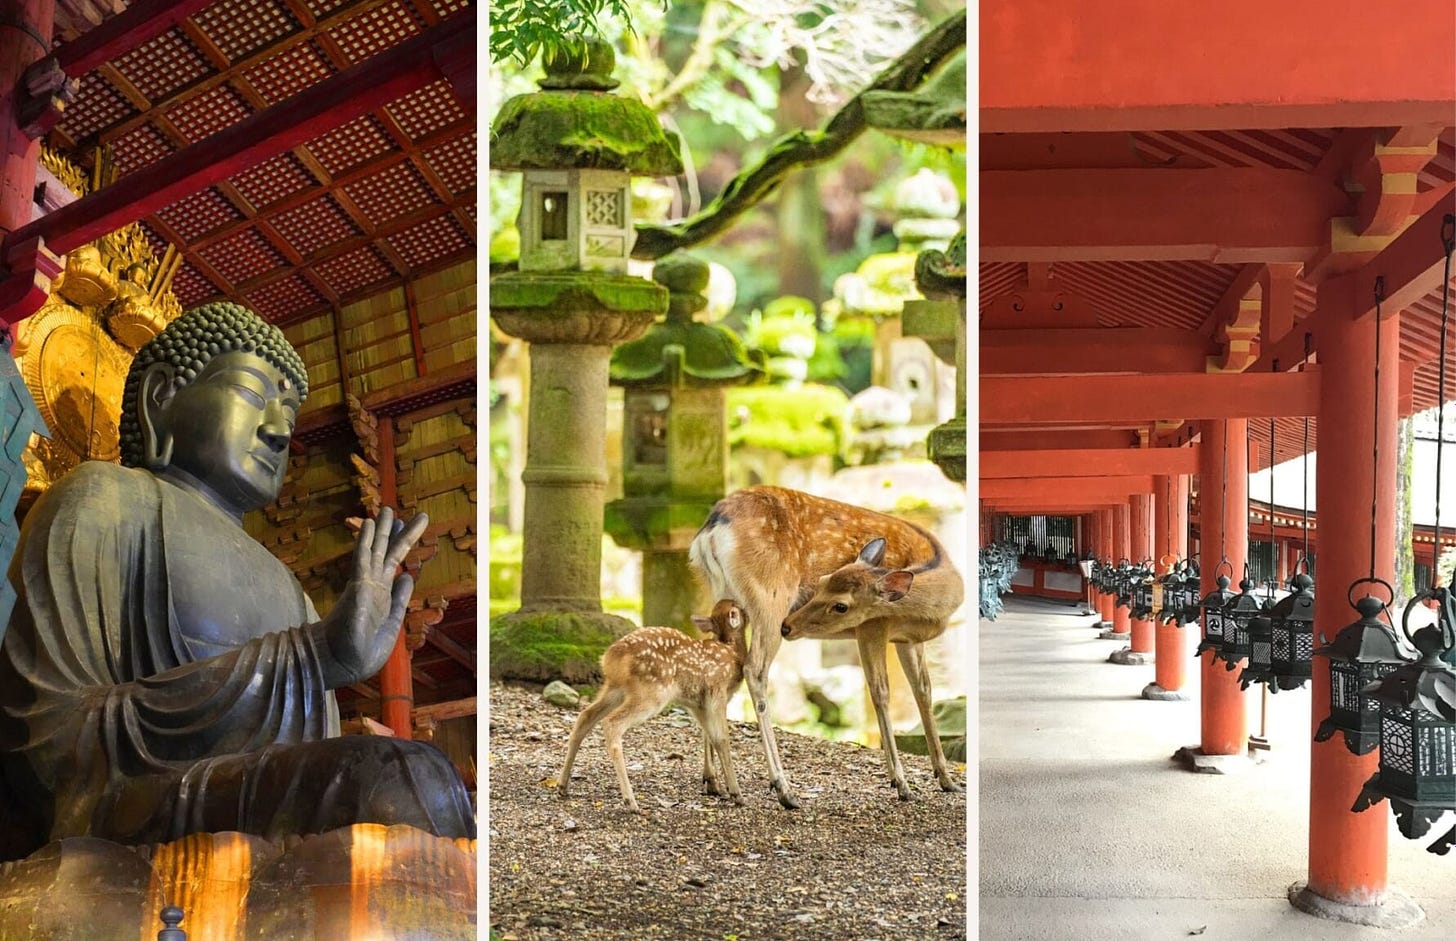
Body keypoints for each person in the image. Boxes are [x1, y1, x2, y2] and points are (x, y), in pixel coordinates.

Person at [0, 301, 474, 858]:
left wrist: (318, 658)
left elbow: (301, 759)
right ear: (161, 399)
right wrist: (310, 657)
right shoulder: (105, 499)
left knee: (426, 782)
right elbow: (48, 737)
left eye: (289, 418)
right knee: (390, 782)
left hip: (253, 802)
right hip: (136, 801)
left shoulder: (287, 586)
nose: (278, 432)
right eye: (252, 396)